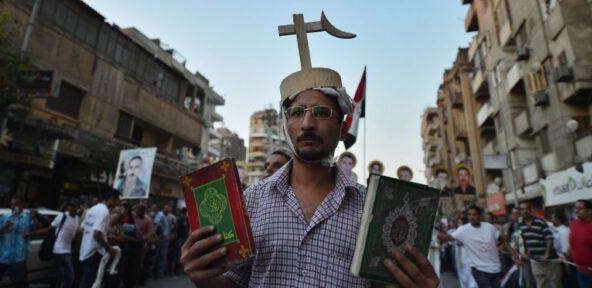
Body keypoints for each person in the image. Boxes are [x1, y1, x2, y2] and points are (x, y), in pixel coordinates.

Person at [181, 85, 439, 286]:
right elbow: (237, 282)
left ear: (341, 129)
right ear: (286, 126)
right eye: (296, 113)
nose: (307, 124)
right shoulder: (251, 201)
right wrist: (204, 278)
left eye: (321, 112)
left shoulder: (373, 210)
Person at [439, 205, 510, 288]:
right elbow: (448, 238)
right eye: (469, 215)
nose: (471, 217)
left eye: (474, 214)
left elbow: (503, 241)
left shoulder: (490, 227)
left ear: (480, 216)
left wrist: (515, 255)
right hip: (478, 268)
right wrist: (434, 233)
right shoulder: (463, 229)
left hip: (494, 267)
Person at [0, 196, 42, 288]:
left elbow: (38, 228)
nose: (13, 206)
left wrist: (34, 218)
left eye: (16, 204)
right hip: (3, 255)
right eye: (11, 204)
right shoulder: (5, 217)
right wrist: (4, 227)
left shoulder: (27, 217)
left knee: (20, 283)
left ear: (22, 205)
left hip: (19, 257)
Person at [31, 201, 80, 288]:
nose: (71, 208)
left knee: (60, 274)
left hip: (68, 250)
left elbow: (75, 233)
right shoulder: (63, 216)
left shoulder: (77, 218)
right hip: (60, 250)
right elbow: (49, 229)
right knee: (70, 276)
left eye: (73, 206)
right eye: (70, 206)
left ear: (77, 208)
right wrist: (32, 234)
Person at [78, 189, 119, 288]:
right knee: (88, 282)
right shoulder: (104, 211)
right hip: (94, 252)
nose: (117, 203)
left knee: (86, 281)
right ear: (112, 199)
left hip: (85, 250)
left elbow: (82, 228)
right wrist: (108, 248)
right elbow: (96, 234)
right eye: (117, 200)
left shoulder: (92, 209)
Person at [516, 202, 562, 288]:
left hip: (549, 260)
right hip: (535, 260)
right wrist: (526, 252)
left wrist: (546, 255)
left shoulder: (540, 221)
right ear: (520, 212)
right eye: (522, 209)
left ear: (530, 210)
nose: (525, 211)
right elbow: (524, 239)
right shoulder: (520, 224)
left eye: (527, 209)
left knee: (555, 284)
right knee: (541, 285)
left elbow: (549, 238)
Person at [566, 199, 592, 288]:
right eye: (575, 208)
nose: (576, 211)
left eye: (580, 208)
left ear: (589, 211)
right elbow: (572, 242)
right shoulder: (574, 224)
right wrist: (566, 254)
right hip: (581, 271)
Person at [133, 203, 153, 285]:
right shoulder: (133, 217)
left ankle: (139, 279)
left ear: (144, 211)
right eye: (138, 209)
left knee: (140, 262)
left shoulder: (147, 220)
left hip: (141, 244)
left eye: (141, 210)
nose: (139, 211)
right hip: (131, 242)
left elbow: (149, 232)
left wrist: (142, 238)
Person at [153, 205, 171, 278]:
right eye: (166, 208)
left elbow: (169, 226)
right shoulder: (160, 215)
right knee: (157, 256)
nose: (167, 210)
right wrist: (156, 236)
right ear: (163, 209)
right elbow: (155, 225)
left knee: (163, 256)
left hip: (166, 238)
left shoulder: (168, 216)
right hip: (160, 238)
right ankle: (156, 272)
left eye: (168, 209)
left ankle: (160, 272)